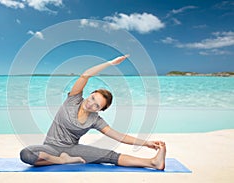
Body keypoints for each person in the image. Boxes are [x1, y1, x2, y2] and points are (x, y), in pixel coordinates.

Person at [20, 55, 166, 170]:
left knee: (110, 156)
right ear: (90, 93)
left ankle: (153, 162)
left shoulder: (95, 120)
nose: (91, 104)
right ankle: (61, 160)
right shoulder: (73, 99)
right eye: (92, 98)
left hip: (73, 150)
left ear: (100, 110)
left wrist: (147, 143)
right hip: (49, 147)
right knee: (27, 154)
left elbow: (120, 136)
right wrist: (110, 64)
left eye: (97, 105)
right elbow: (85, 75)